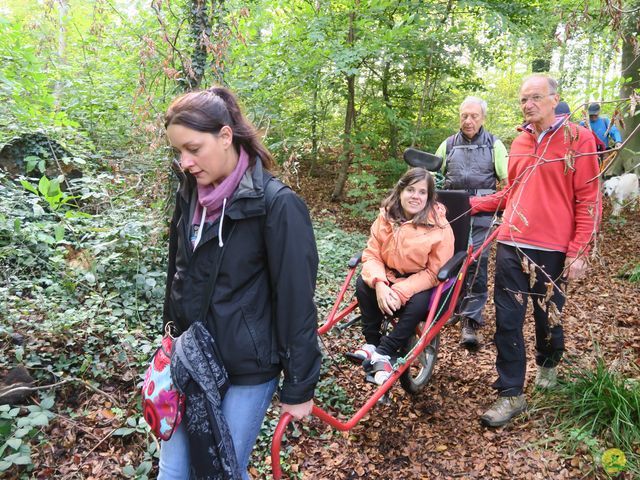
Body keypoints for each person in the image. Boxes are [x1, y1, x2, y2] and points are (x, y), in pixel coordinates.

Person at [159, 87, 321, 478]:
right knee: (173, 473)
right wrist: (168, 341)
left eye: (193, 149)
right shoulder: (189, 197)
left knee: (221, 472)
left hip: (247, 368)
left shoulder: (276, 205)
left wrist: (299, 385)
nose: (185, 162)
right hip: (192, 360)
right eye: (179, 152)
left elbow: (296, 299)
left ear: (226, 136)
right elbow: (177, 272)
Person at [471, 75, 601, 427]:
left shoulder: (579, 139)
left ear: (554, 99)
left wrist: (578, 251)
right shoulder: (520, 141)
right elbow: (512, 193)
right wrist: (474, 204)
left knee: (548, 318)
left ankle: (548, 364)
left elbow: (589, 199)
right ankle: (511, 393)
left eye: (535, 98)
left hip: (552, 250)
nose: (527, 105)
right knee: (508, 321)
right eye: (523, 99)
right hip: (512, 244)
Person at [346, 168, 454, 384]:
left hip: (422, 281)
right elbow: (372, 254)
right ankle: (372, 342)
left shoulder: (439, 225)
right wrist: (380, 284)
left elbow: (434, 272)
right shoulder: (385, 217)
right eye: (410, 190)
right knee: (362, 283)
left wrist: (399, 291)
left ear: (429, 197)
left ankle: (385, 350)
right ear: (400, 191)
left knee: (418, 303)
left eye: (422, 192)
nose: (415, 196)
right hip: (388, 275)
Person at [434, 96, 508, 349]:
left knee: (477, 264)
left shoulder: (494, 146)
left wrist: (491, 207)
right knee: (449, 260)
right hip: (451, 215)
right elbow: (432, 177)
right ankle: (451, 307)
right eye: (464, 115)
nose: (468, 121)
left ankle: (471, 321)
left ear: (482, 118)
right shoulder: (448, 145)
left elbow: (510, 182)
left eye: (474, 116)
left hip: (483, 216)